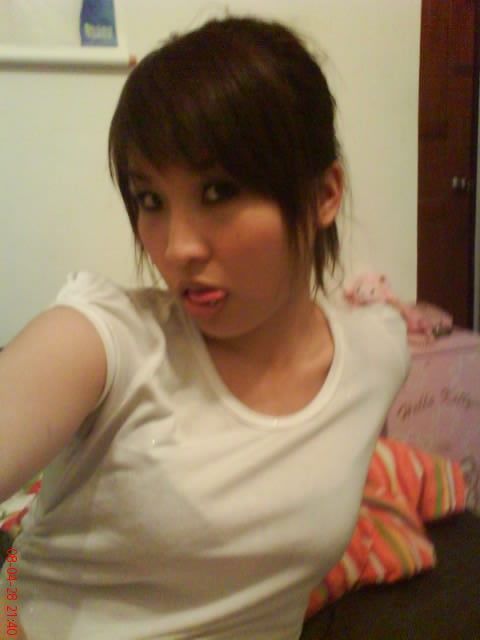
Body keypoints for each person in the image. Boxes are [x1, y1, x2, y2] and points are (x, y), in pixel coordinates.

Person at [0, 15, 409, 640]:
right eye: (151, 200)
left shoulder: (379, 352)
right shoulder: (104, 341)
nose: (177, 247)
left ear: (325, 195)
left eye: (218, 191)